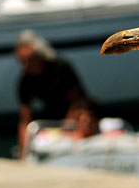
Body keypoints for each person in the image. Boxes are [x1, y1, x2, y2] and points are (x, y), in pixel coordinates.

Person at [14, 30, 97, 158]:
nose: (24, 65)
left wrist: (66, 130)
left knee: (84, 117)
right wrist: (23, 153)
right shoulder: (25, 80)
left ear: (39, 55)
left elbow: (78, 102)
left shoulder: (60, 68)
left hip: (77, 113)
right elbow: (25, 119)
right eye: (21, 61)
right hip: (51, 118)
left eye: (28, 60)